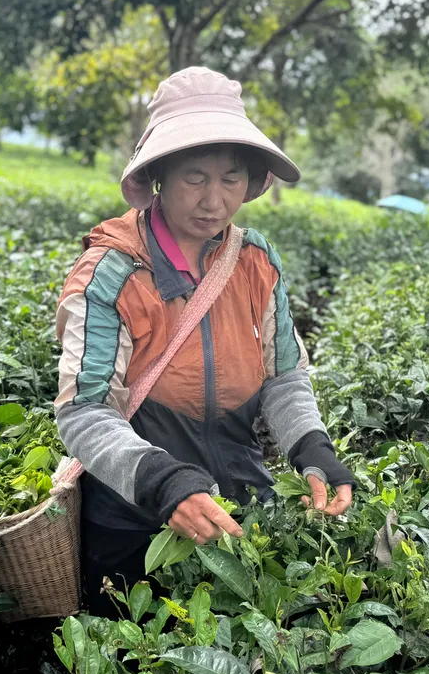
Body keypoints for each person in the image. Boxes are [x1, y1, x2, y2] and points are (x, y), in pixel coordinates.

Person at [53, 66, 353, 615]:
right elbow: (84, 413)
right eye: (195, 177)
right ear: (160, 176)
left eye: (232, 179)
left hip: (240, 504)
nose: (214, 201)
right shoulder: (113, 273)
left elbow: (284, 376)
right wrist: (164, 483)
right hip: (134, 517)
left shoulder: (255, 261)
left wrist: (314, 451)